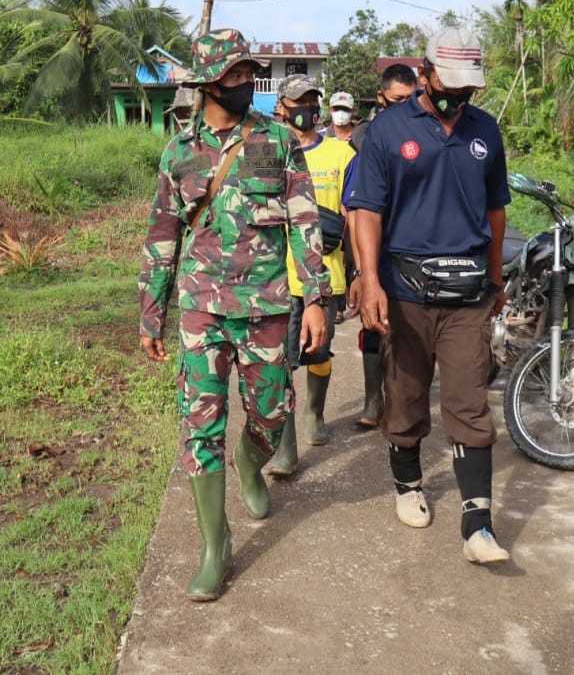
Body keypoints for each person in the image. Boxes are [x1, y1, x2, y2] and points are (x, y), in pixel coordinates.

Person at [138, 29, 331, 601]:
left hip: (266, 306)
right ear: (208, 84)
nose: (247, 82)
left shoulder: (276, 139)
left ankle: (252, 465)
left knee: (272, 413)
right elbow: (162, 235)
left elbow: (304, 220)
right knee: (203, 426)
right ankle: (213, 547)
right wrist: (152, 314)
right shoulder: (179, 151)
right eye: (235, 75)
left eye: (250, 73)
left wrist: (316, 297)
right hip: (201, 311)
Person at [348, 26, 513, 566]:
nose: (460, 95)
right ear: (425, 73)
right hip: (405, 290)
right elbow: (366, 209)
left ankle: (478, 524)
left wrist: (496, 279)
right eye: (451, 82)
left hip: (467, 293)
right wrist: (369, 279)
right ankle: (408, 485)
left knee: (469, 400)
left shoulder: (485, 130)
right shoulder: (388, 131)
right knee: (407, 395)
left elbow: (496, 211)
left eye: (470, 86)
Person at [265, 75, 356, 476]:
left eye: (312, 101)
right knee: (280, 361)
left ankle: (315, 413)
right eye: (298, 101)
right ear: (281, 107)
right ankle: (286, 449)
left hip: (327, 276)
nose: (308, 109)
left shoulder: (342, 153)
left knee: (319, 352)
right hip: (277, 280)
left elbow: (356, 217)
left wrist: (358, 272)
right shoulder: (266, 153)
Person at [342, 63, 418, 428]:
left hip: (415, 256)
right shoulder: (367, 146)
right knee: (375, 328)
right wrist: (361, 271)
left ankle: (402, 401)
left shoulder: (427, 138)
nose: (406, 106)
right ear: (381, 98)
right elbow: (355, 213)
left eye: (412, 98)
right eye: (398, 99)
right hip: (377, 256)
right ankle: (375, 402)